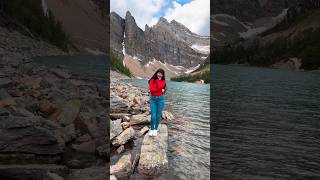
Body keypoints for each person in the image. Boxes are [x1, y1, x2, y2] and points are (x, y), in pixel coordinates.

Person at [148, 68, 166, 137]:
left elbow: (159, 86)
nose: (160, 75)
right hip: (153, 100)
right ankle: (151, 129)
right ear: (156, 73)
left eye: (161, 74)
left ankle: (155, 129)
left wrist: (158, 82)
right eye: (159, 73)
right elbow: (151, 90)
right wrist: (160, 90)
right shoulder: (152, 80)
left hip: (160, 100)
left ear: (163, 75)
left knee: (158, 115)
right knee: (153, 115)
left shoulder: (163, 81)